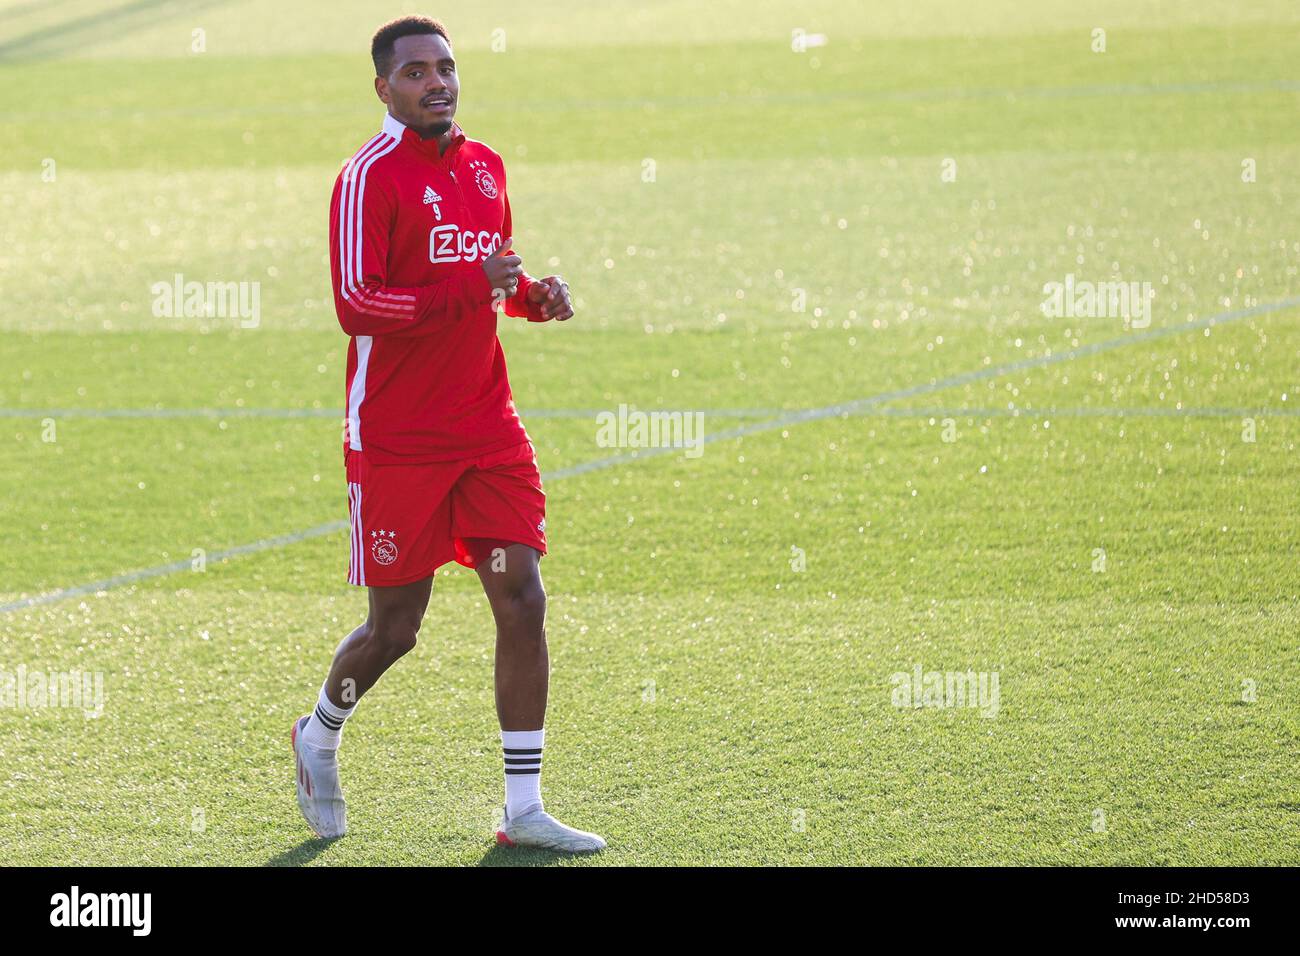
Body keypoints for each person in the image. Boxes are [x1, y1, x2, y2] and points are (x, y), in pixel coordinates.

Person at [292, 15, 604, 853]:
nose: (438, 82)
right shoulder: (368, 178)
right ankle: (320, 732)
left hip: (486, 429)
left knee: (523, 597)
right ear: (384, 88)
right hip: (396, 438)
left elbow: (493, 279)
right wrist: (474, 286)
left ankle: (525, 808)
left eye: (446, 68)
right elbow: (357, 305)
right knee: (397, 629)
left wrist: (531, 296)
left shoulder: (485, 166)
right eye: (417, 72)